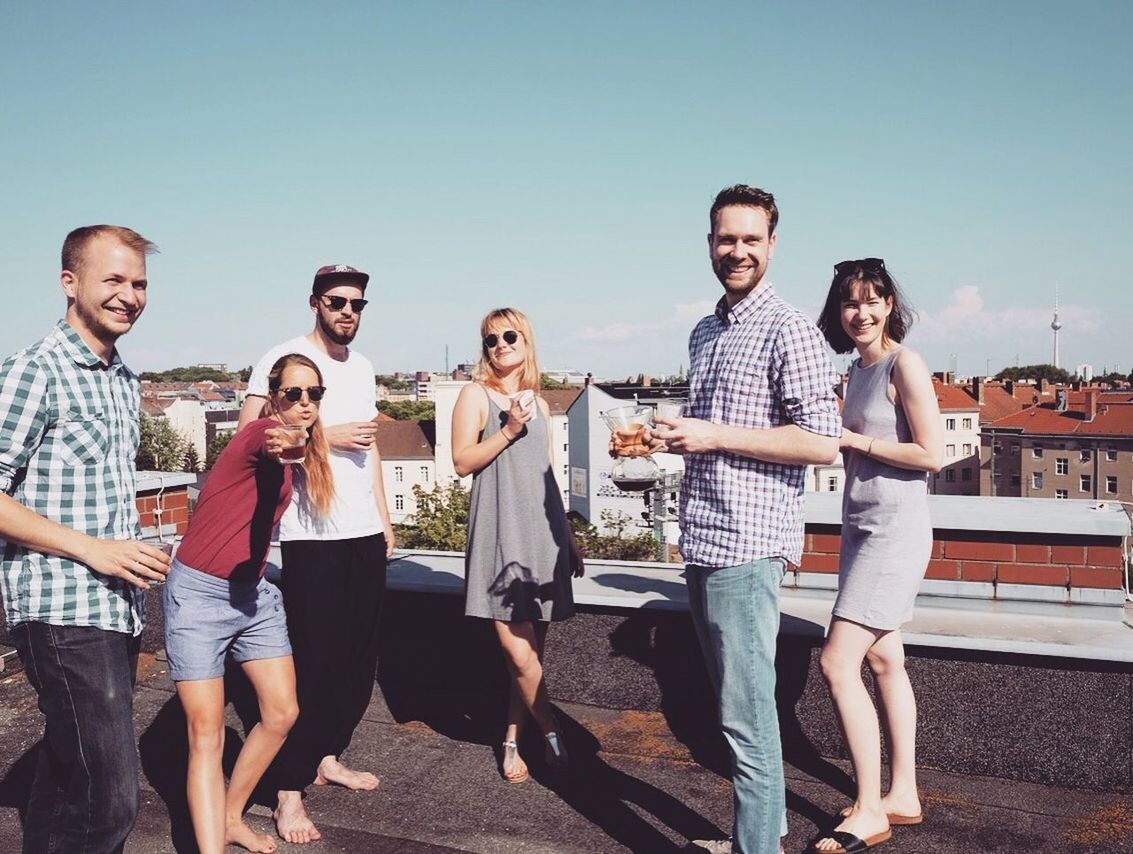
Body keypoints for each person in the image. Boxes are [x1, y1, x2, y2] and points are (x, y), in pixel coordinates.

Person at [650, 187, 841, 854]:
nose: (736, 251)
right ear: (708, 243)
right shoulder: (705, 329)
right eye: (725, 239)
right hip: (703, 537)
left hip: (748, 545)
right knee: (736, 711)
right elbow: (714, 432)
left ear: (771, 245)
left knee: (746, 719)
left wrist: (710, 435)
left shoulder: (790, 329)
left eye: (750, 240)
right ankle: (762, 833)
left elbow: (821, 442)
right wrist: (678, 435)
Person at [0, 225, 171, 853]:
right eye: (114, 280)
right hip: (59, 607)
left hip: (114, 608)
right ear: (70, 283)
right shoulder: (33, 371)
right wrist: (94, 548)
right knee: (111, 798)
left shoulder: (122, 379)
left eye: (140, 283)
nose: (130, 295)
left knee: (68, 779)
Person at [237, 264, 395, 844]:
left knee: (357, 662)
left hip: (362, 532)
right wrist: (329, 436)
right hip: (310, 536)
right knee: (313, 663)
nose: (347, 311)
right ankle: (287, 790)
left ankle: (327, 755)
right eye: (336, 301)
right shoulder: (284, 358)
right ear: (314, 303)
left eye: (357, 302)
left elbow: (371, 449)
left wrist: (384, 517)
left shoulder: (366, 367)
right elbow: (252, 433)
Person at [166, 353, 335, 854]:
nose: (304, 403)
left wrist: (308, 442)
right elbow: (275, 440)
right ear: (272, 396)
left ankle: (231, 818)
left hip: (254, 596)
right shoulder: (256, 434)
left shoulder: (297, 452)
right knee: (206, 733)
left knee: (282, 712)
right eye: (293, 394)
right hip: (199, 594)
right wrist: (293, 438)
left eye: (314, 395)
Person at [810, 259, 942, 853]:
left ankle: (868, 809)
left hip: (895, 532)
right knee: (885, 662)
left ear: (890, 305)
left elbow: (932, 454)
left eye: (871, 301)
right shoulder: (854, 372)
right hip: (862, 528)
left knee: (838, 664)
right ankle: (904, 793)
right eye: (848, 303)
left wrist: (856, 439)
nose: (860, 313)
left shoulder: (902, 363)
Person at [451, 307, 583, 784]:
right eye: (491, 339)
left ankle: (511, 739)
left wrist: (567, 536)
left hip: (540, 534)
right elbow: (462, 462)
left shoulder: (543, 405)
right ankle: (551, 729)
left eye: (510, 336)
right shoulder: (475, 395)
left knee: (531, 652)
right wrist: (507, 429)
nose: (501, 344)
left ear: (526, 342)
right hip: (497, 530)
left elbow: (549, 477)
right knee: (516, 651)